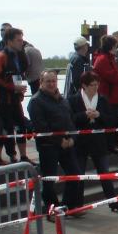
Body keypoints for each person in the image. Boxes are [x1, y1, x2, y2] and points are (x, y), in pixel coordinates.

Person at [68, 72, 118, 213]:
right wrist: (84, 115)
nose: (96, 87)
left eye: (97, 84)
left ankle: (114, 203)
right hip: (81, 142)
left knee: (104, 173)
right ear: (84, 85)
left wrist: (99, 115)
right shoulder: (73, 100)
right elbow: (70, 119)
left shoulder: (102, 99)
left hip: (99, 142)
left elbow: (111, 120)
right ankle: (77, 205)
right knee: (79, 174)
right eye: (92, 85)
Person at [27, 70, 82, 218]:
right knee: (48, 180)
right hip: (48, 147)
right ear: (41, 83)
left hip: (67, 145)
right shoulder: (36, 101)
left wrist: (72, 138)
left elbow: (71, 121)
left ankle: (67, 207)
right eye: (48, 81)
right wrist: (59, 141)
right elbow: (41, 127)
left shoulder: (63, 100)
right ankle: (52, 210)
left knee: (75, 174)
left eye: (54, 81)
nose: (51, 84)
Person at [0, 27, 31, 163]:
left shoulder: (19, 55)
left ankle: (23, 156)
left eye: (22, 39)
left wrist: (20, 88)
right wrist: (13, 87)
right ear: (9, 41)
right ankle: (9, 156)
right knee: (6, 128)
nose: (21, 42)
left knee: (21, 126)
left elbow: (22, 72)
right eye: (18, 40)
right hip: (3, 100)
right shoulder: (1, 56)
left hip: (16, 98)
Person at [92, 35, 118, 155]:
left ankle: (110, 145)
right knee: (107, 122)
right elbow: (111, 76)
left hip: (112, 96)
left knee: (112, 122)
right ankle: (106, 146)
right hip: (107, 96)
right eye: (114, 46)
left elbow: (115, 73)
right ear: (111, 47)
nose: (116, 48)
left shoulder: (108, 58)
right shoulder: (103, 59)